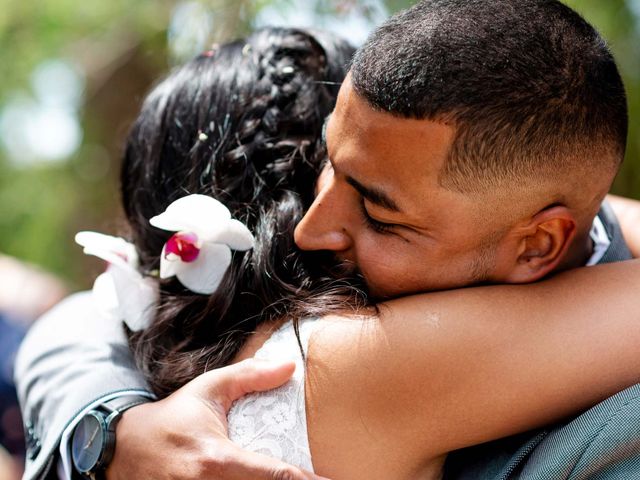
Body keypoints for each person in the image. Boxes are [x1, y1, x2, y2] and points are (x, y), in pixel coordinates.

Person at [14, 2, 640, 479]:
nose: (311, 229)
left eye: (378, 211)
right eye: (329, 165)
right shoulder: (343, 357)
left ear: (538, 244)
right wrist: (108, 423)